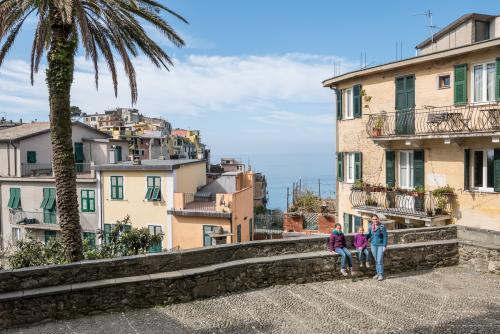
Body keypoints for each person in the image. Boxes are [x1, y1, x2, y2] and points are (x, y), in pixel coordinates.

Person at [365, 214, 387, 281]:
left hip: (380, 245)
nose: (375, 220)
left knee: (379, 260)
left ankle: (380, 274)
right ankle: (377, 273)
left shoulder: (382, 226)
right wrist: (362, 238)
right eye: (373, 219)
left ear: (378, 219)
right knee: (376, 260)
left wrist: (384, 245)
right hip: (373, 245)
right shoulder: (371, 226)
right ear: (372, 220)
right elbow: (369, 234)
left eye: (376, 219)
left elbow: (385, 236)